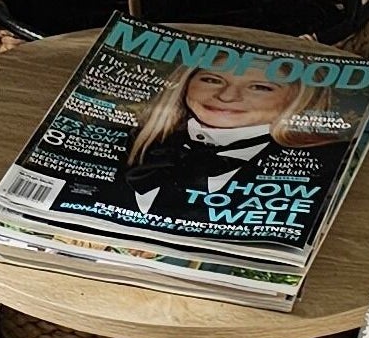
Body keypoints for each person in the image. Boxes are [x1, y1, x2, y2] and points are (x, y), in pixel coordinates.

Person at [111, 62, 354, 226]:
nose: (227, 96)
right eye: (212, 79)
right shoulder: (129, 139)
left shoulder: (331, 159)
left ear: (300, 98)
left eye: (260, 87)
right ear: (186, 83)